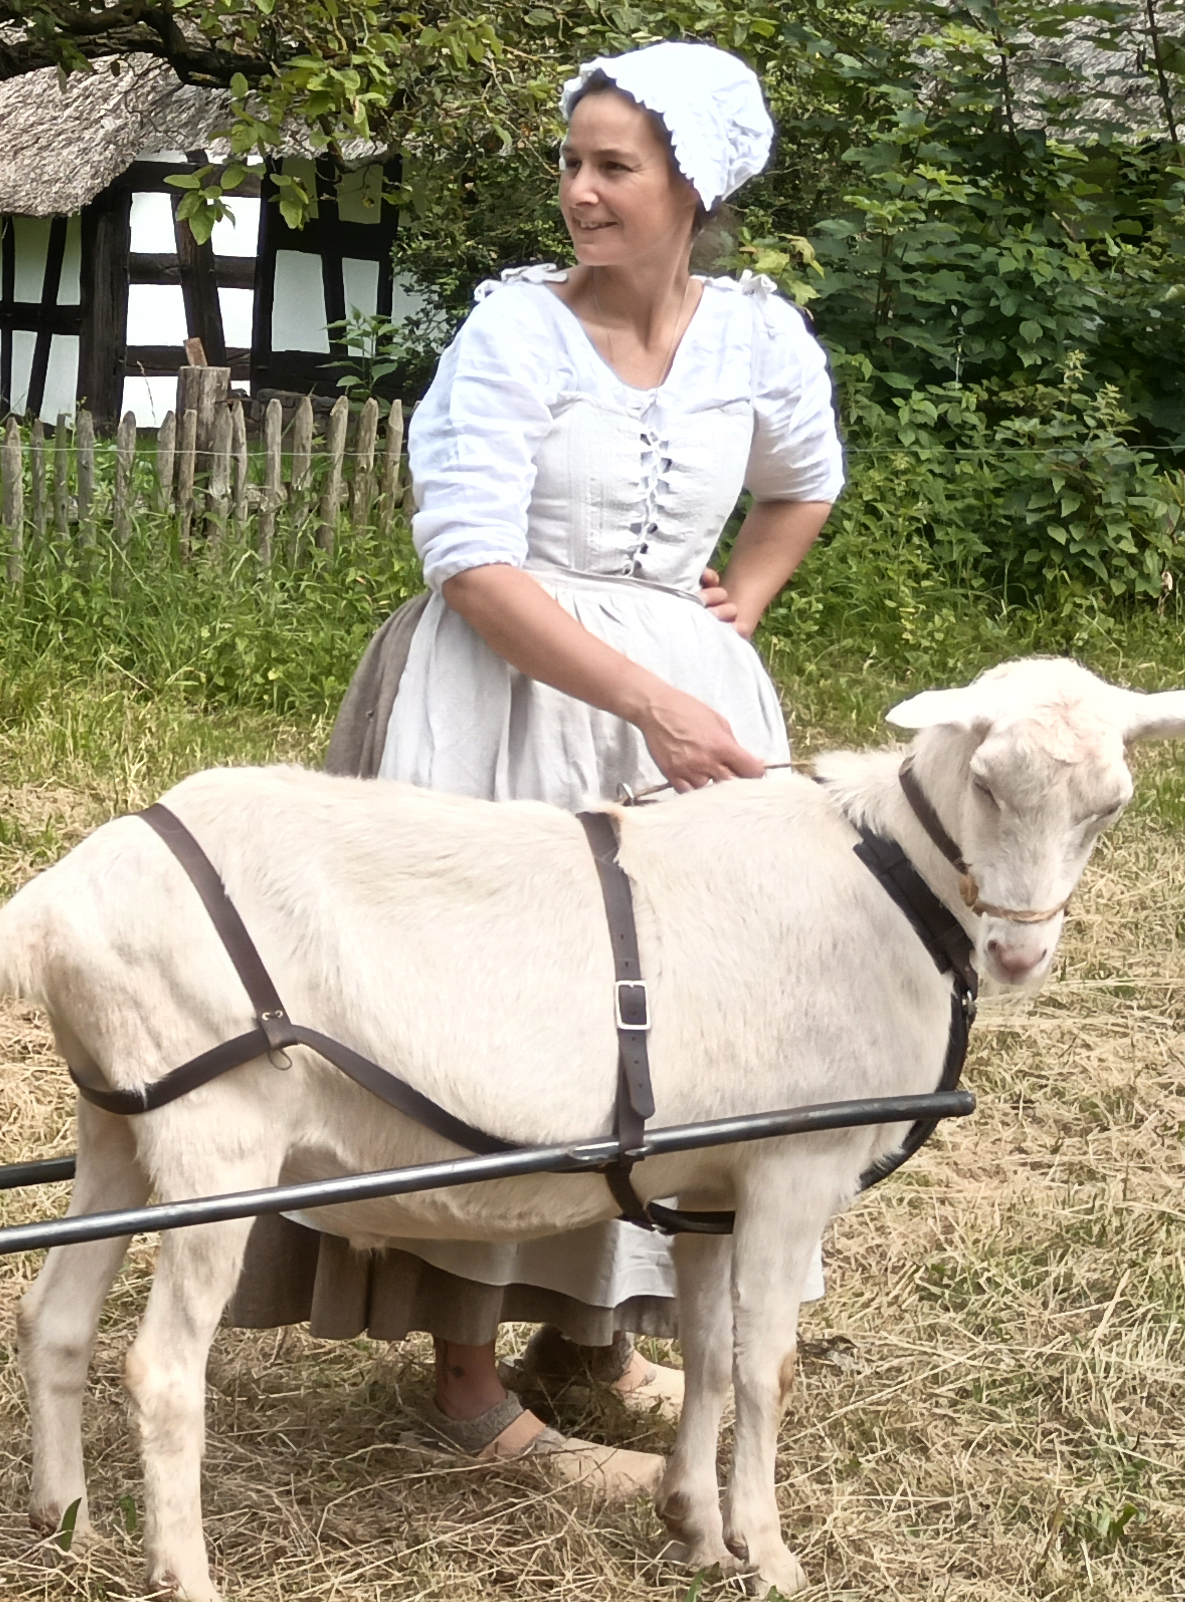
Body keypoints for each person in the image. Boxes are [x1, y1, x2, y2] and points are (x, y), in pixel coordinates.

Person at [303, 40, 845, 1495]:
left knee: (681, 1020)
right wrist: (647, 697)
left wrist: (743, 598)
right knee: (502, 1013)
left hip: (676, 695)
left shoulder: (755, 337)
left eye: (616, 166)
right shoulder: (514, 336)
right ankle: (465, 1376)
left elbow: (809, 478)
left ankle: (591, 1337)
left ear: (696, 189)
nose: (580, 192)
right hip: (505, 695)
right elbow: (471, 562)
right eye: (574, 162)